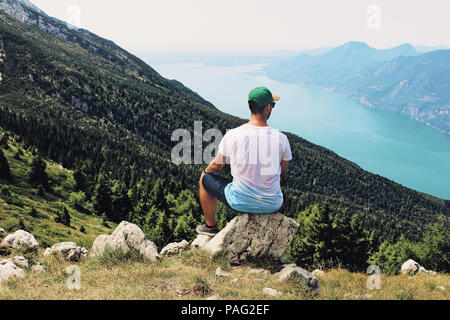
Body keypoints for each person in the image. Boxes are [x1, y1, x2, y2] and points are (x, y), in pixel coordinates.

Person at [196, 86, 293, 236]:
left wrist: (205, 172)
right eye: (273, 105)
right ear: (268, 108)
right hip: (272, 204)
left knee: (204, 179)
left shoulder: (234, 134)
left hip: (239, 202)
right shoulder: (281, 138)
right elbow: (282, 175)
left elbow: (218, 164)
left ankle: (210, 227)